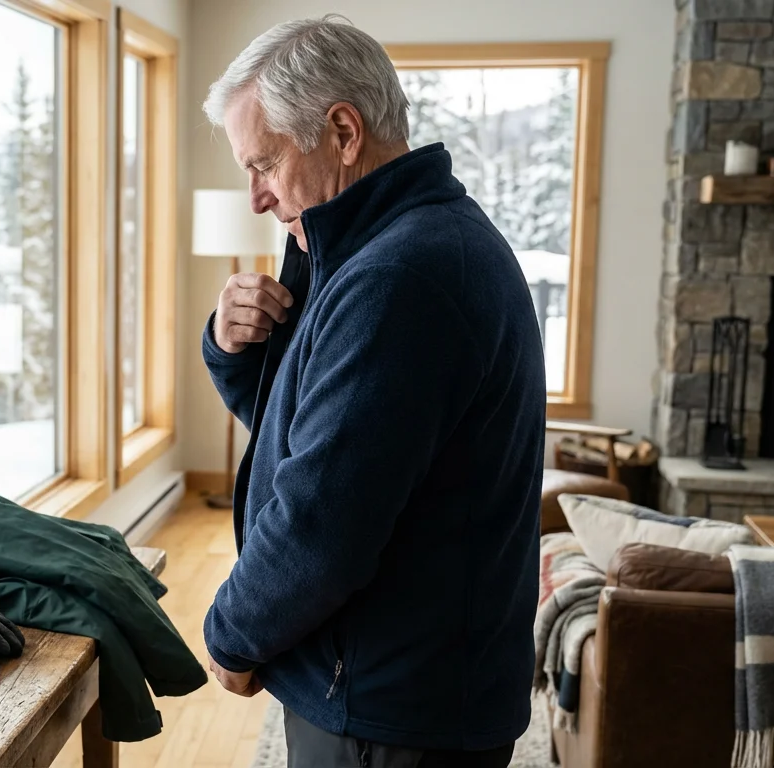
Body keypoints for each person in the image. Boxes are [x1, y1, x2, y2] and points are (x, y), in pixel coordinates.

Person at [199, 14, 546, 768]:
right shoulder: (392, 246)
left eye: (264, 164)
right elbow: (309, 433)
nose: (257, 196)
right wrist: (230, 350)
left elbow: (322, 520)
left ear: (343, 132)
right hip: (399, 688)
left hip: (390, 708)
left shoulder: (398, 278)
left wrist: (231, 633)